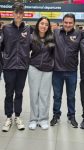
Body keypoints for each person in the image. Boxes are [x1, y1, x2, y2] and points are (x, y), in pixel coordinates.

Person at [0, 2, 31, 132]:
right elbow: (1, 47)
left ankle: (17, 116)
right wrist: (4, 62)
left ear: (23, 14)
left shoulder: (28, 29)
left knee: (19, 93)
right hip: (9, 67)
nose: (18, 15)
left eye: (20, 13)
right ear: (13, 13)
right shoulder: (6, 29)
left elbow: (33, 46)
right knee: (8, 93)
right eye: (16, 12)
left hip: (22, 67)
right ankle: (8, 117)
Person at [50, 13, 82, 128]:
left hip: (72, 71)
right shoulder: (56, 33)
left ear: (74, 23)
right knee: (57, 95)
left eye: (70, 23)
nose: (68, 24)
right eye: (66, 22)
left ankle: (71, 116)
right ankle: (56, 115)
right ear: (63, 22)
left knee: (71, 95)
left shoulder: (79, 34)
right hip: (57, 70)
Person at [28, 17, 54, 130]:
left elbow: (54, 53)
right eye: (42, 23)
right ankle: (33, 119)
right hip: (34, 68)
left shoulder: (52, 38)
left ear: (48, 27)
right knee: (34, 94)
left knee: (44, 95)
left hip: (48, 70)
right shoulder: (31, 37)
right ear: (38, 24)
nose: (44, 26)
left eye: (46, 24)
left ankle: (43, 119)